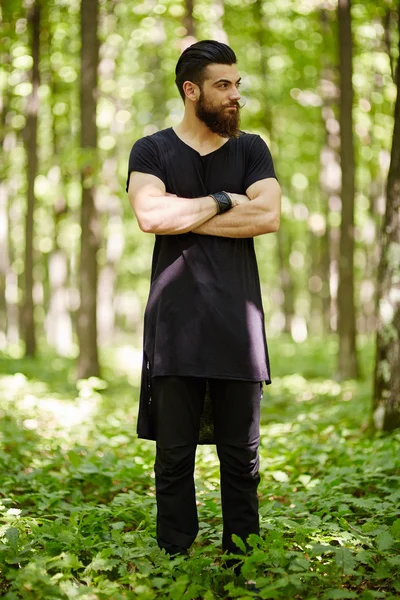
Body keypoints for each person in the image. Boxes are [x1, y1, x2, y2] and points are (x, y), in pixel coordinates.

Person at [126, 40, 281, 560]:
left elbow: (267, 217)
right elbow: (151, 217)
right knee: (173, 459)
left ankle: (242, 560)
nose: (235, 95)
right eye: (223, 85)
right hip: (174, 327)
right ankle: (175, 558)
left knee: (243, 459)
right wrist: (221, 200)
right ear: (191, 91)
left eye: (238, 84)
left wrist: (184, 210)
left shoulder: (252, 149)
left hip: (240, 326)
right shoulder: (150, 150)